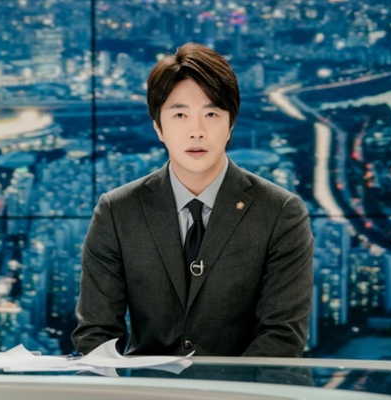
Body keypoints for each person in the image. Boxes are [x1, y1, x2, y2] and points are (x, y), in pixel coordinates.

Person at [72, 43, 314, 357]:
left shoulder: (280, 211)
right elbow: (96, 333)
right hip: (149, 385)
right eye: (180, 115)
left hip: (244, 386)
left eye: (211, 114)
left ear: (231, 124)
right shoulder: (118, 212)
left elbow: (282, 335)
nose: (196, 131)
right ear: (158, 127)